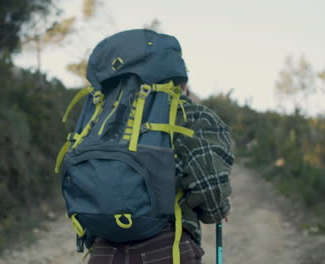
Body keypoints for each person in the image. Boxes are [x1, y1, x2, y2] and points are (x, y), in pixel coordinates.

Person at [87, 81, 234, 264]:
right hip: (167, 247)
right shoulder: (190, 114)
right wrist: (218, 209)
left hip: (104, 249)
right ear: (183, 84)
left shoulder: (104, 114)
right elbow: (210, 185)